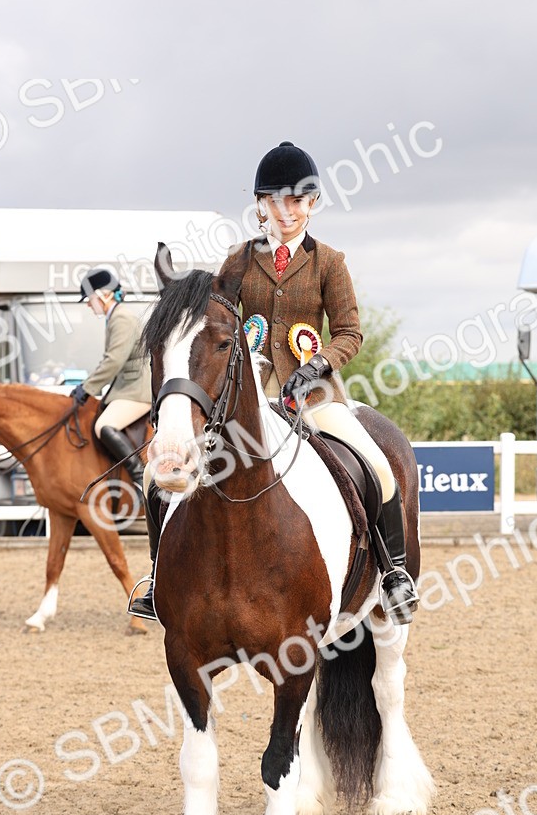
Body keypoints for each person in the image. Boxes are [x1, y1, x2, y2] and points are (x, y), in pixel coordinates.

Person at [129, 142, 418, 623]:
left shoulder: (330, 261)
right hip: (249, 395)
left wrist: (318, 364)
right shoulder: (239, 259)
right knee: (155, 477)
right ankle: (161, 578)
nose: (288, 211)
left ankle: (392, 572)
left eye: (298, 201)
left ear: (313, 203)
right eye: (276, 201)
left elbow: (350, 332)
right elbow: (214, 318)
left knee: (378, 467)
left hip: (314, 393)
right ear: (261, 205)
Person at [72, 268, 151, 494]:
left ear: (104, 294)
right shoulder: (114, 317)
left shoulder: (122, 318)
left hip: (137, 389)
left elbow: (113, 360)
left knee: (104, 426)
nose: (88, 304)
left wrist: (87, 388)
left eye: (90, 299)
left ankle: (137, 475)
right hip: (126, 387)